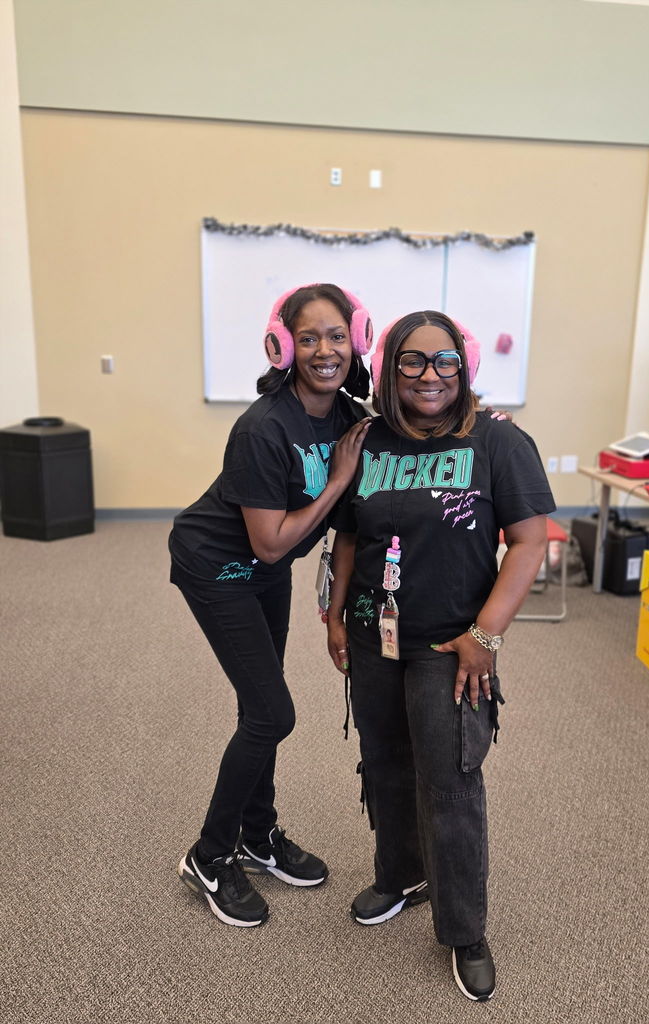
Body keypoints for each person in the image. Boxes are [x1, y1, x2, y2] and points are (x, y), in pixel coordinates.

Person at [326, 311, 555, 1001]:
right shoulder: (364, 442)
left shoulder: (498, 443)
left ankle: (464, 929)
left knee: (451, 781)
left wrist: (485, 637)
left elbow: (530, 541)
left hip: (451, 645)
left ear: (466, 366)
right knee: (385, 760)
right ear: (390, 368)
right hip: (373, 634)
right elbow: (345, 537)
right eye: (413, 362)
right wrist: (336, 616)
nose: (430, 376)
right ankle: (399, 875)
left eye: (445, 361)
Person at [169, 283, 373, 927]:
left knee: (257, 707)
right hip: (220, 566)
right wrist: (338, 479)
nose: (324, 350)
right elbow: (270, 538)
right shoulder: (261, 427)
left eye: (336, 336)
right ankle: (209, 854)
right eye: (308, 337)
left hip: (269, 572)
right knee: (271, 712)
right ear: (284, 345)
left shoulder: (350, 417)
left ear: (356, 339)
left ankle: (258, 836)